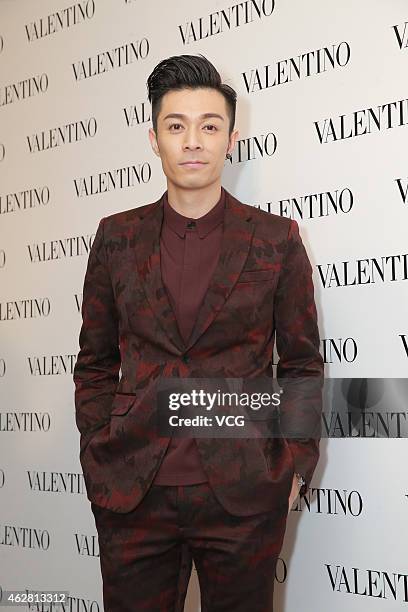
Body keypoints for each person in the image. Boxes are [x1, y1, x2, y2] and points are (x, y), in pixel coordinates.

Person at [73, 53, 324, 612]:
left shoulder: (276, 240)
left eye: (209, 126)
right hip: (134, 494)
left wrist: (293, 466)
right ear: (153, 137)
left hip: (243, 494)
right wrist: (98, 448)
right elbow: (94, 362)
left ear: (231, 138)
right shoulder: (115, 238)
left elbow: (302, 364)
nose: (193, 141)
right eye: (176, 125)